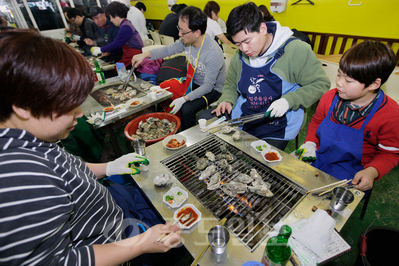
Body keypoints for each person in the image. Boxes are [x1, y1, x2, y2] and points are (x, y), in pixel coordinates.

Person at [0, 29, 181, 265]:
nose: (79, 114)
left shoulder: (25, 138)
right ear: (23, 106)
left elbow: (62, 169)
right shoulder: (20, 179)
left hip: (112, 214)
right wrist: (141, 244)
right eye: (69, 106)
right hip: (111, 244)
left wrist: (109, 167)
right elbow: (61, 261)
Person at [202, 2, 330, 150]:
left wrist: (289, 101)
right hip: (246, 115)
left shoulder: (296, 50)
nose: (244, 49)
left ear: (263, 28)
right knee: (208, 128)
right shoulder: (240, 55)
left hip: (278, 124)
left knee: (263, 162)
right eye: (238, 44)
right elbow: (231, 83)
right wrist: (227, 99)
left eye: (247, 41)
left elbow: (321, 84)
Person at [296, 41, 399, 192]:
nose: (339, 83)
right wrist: (310, 142)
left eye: (348, 80)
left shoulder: (390, 114)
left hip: (353, 170)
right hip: (319, 155)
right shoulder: (329, 98)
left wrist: (371, 171)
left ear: (374, 84)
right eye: (339, 74)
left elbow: (389, 153)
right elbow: (317, 121)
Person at [132, 6, 226, 131]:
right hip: (192, 81)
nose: (179, 34)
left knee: (186, 109)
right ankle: (163, 127)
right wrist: (145, 55)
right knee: (162, 90)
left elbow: (208, 86)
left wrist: (184, 99)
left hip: (212, 89)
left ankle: (188, 138)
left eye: (183, 31)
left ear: (197, 32)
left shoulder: (213, 52)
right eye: (179, 29)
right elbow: (167, 50)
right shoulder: (186, 41)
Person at [97, 2, 143, 68]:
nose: (111, 20)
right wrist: (109, 52)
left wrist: (100, 50)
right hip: (131, 55)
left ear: (116, 15)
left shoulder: (125, 27)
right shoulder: (125, 23)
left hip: (135, 57)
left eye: (111, 17)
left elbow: (116, 44)